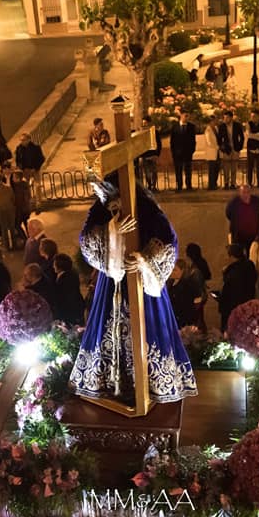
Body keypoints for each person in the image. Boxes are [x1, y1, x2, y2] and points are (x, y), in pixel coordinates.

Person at [70, 171, 197, 403]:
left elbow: (169, 242)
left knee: (147, 333)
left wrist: (144, 260)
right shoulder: (102, 207)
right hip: (112, 285)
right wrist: (112, 231)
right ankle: (106, 382)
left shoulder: (148, 208)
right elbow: (86, 240)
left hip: (142, 284)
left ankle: (152, 385)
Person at [219, 244, 257, 330]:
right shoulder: (249, 265)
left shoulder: (233, 272)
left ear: (231, 256)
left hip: (233, 309)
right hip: (248, 305)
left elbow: (230, 291)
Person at [225, 185, 259, 257]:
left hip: (252, 235)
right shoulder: (233, 203)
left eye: (247, 192)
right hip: (238, 235)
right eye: (243, 192)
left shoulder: (256, 201)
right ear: (239, 193)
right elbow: (228, 214)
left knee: (251, 255)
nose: (246, 194)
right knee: (238, 255)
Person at [167, 258, 201, 328]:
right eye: (171, 270)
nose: (172, 272)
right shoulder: (170, 283)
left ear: (182, 270)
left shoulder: (188, 284)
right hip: (173, 318)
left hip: (185, 319)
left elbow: (197, 300)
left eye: (175, 270)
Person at [15, 132, 46, 207]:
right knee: (26, 186)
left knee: (37, 185)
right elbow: (18, 160)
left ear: (29, 139)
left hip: (35, 169)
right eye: (21, 140)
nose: (22, 142)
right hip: (25, 170)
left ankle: (38, 203)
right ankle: (28, 202)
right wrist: (21, 168)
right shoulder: (19, 148)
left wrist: (35, 168)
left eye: (24, 140)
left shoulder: (36, 147)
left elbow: (41, 158)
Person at [52, 253, 84, 326]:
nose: (53, 267)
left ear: (59, 267)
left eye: (54, 265)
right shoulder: (71, 273)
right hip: (76, 308)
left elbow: (64, 299)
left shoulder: (65, 280)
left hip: (70, 312)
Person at [169, 111, 197, 190]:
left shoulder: (191, 126)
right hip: (177, 153)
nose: (187, 118)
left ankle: (189, 185)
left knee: (188, 170)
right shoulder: (175, 127)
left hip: (188, 152)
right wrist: (173, 151)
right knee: (178, 170)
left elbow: (193, 140)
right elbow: (172, 141)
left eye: (188, 116)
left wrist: (192, 150)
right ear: (181, 116)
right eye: (185, 116)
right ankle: (179, 186)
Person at [217, 110, 244, 190]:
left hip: (235, 148)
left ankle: (233, 183)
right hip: (226, 149)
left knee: (234, 167)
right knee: (226, 167)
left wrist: (239, 148)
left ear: (231, 118)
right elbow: (219, 139)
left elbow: (242, 137)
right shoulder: (222, 126)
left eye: (227, 118)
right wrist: (222, 148)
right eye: (224, 118)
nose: (225, 119)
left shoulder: (237, 125)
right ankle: (226, 183)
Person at [138, 116, 162, 191]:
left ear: (149, 123)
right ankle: (149, 186)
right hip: (145, 155)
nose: (144, 125)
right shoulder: (141, 132)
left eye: (145, 123)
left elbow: (159, 144)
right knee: (147, 172)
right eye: (143, 123)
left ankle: (154, 186)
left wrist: (157, 154)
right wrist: (140, 156)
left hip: (152, 154)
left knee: (154, 171)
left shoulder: (155, 132)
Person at [244, 109, 259, 187]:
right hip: (251, 148)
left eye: (254, 116)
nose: (253, 118)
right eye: (251, 116)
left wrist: (254, 135)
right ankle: (249, 183)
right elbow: (248, 135)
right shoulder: (248, 124)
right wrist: (258, 135)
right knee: (250, 166)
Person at [11, 170, 32, 241]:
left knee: (17, 225)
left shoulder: (17, 186)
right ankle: (30, 238)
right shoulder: (25, 184)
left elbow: (19, 199)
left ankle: (25, 239)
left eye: (14, 177)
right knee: (27, 225)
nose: (12, 179)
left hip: (21, 209)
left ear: (18, 178)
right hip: (26, 209)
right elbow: (28, 197)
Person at [204, 114, 221, 190]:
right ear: (211, 121)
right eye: (214, 120)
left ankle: (215, 183)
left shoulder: (216, 128)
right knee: (212, 170)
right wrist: (217, 147)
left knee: (217, 168)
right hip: (211, 152)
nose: (216, 122)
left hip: (217, 152)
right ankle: (211, 185)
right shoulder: (208, 130)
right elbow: (209, 142)